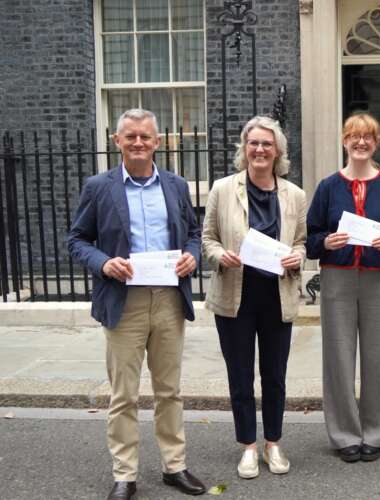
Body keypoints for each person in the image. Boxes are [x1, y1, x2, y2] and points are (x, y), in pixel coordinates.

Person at [67, 108, 206, 500]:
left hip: (168, 299)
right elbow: (77, 239)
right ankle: (124, 475)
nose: (139, 143)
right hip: (122, 300)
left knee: (169, 391)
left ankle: (174, 467)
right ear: (117, 141)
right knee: (124, 395)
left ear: (158, 142)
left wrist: (193, 256)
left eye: (146, 136)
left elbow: (193, 234)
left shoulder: (176, 185)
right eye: (131, 136)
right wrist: (103, 263)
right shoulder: (99, 187)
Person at [306, 112, 380, 463]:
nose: (361, 142)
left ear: (376, 142)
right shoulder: (327, 187)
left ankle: (378, 432)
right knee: (338, 357)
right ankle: (344, 434)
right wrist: (327, 241)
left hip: (378, 277)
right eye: (354, 136)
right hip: (337, 277)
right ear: (344, 141)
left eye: (368, 136)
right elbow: (311, 238)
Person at [202, 116, 306, 478]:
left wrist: (297, 258)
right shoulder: (222, 189)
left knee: (275, 375)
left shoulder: (294, 194)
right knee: (240, 374)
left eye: (267, 144)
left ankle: (273, 443)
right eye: (254, 143)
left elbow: (301, 241)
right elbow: (208, 238)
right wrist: (220, 255)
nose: (260, 149)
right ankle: (248, 445)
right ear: (244, 148)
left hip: (276, 295)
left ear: (278, 151)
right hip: (236, 294)